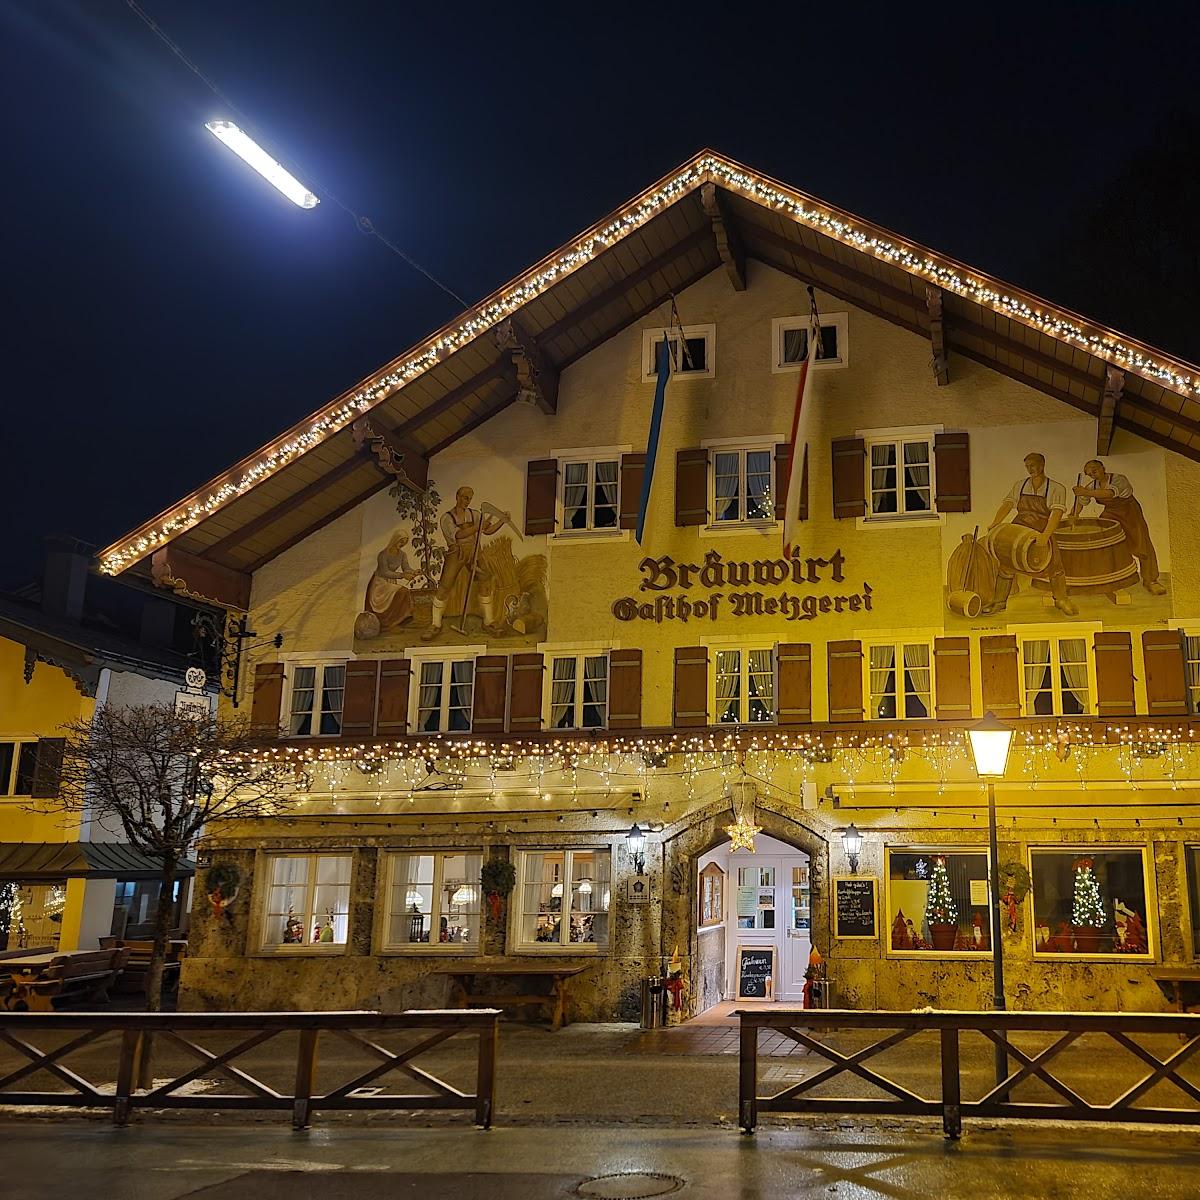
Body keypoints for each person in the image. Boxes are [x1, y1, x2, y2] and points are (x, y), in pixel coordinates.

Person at [985, 452, 1077, 616]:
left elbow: (1056, 514)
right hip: (1020, 526)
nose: (1030, 469)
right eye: (1027, 466)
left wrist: (1045, 536)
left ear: (1042, 465)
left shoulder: (1056, 488)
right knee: (1006, 564)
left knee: (1054, 566)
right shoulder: (1020, 485)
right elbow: (1008, 504)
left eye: (1033, 465)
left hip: (1042, 528)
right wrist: (995, 522)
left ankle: (1061, 600)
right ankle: (999, 602)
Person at [422, 486, 510, 640]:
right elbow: (459, 535)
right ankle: (435, 624)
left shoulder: (474, 514)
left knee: (485, 581)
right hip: (457, 553)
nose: (466, 501)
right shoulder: (447, 518)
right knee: (445, 586)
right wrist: (479, 526)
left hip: (475, 552)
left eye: (469, 498)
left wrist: (502, 521)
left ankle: (488, 621)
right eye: (464, 497)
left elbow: (487, 531)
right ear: (457, 496)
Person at [1070, 459, 1166, 595]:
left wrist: (1084, 492)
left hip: (1130, 512)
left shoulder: (1119, 479)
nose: (1094, 475)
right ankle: (1113, 579)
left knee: (1142, 545)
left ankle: (1151, 581)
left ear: (1103, 467)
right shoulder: (1092, 486)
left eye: (1095, 471)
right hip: (1111, 513)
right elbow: (1082, 501)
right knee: (1105, 538)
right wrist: (1074, 514)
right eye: (1090, 474)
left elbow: (1109, 493)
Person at [363, 532, 416, 632]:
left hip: (391, 582)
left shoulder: (402, 555)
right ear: (395, 540)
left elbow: (406, 568)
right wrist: (402, 576)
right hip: (380, 583)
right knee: (401, 592)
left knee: (403, 592)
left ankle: (396, 622)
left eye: (404, 542)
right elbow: (384, 572)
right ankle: (388, 624)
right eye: (401, 541)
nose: (402, 544)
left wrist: (413, 572)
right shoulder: (383, 555)